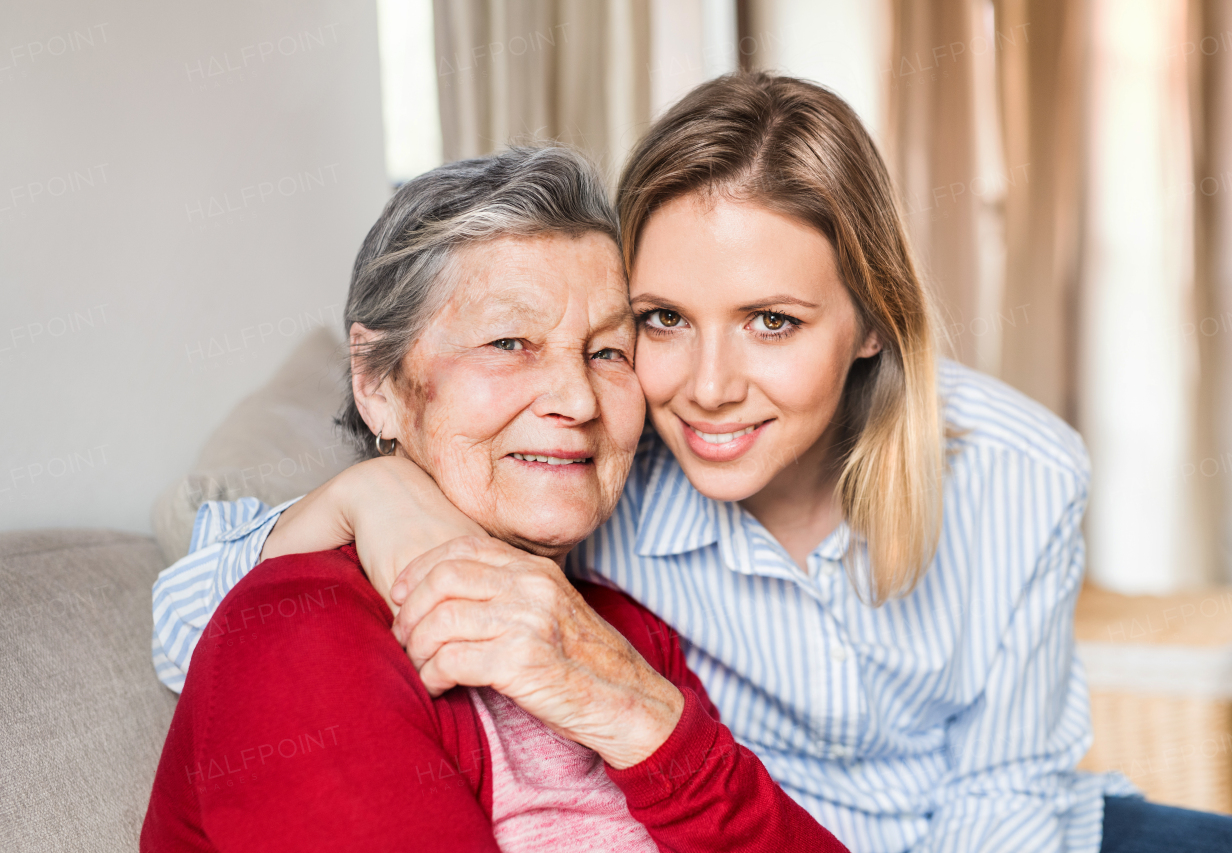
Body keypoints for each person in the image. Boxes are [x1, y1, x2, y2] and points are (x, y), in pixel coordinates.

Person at [153, 74, 1232, 852]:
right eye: (658, 320)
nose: (704, 387)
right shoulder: (597, 467)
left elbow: (1001, 789)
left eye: (773, 322)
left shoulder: (1016, 471)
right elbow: (208, 625)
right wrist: (369, 493)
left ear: (873, 322)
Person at [142, 146, 847, 852]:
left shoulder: (628, 634)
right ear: (375, 383)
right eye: (509, 342)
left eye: (608, 352)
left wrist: (639, 713)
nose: (577, 400)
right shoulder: (297, 631)